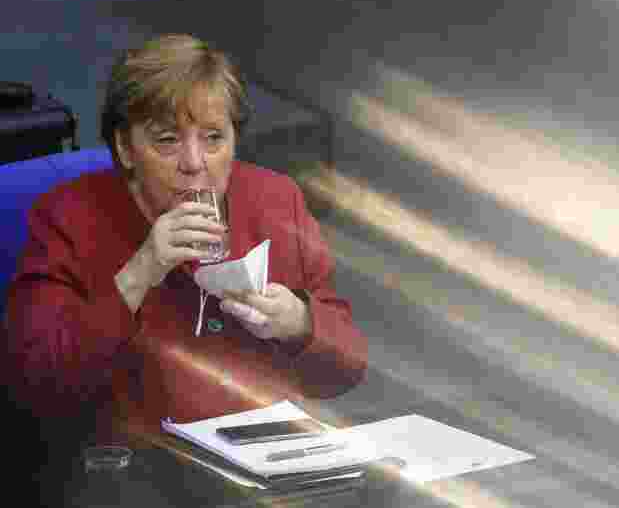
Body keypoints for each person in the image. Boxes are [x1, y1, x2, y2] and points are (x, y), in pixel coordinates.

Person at [3, 34, 368, 455]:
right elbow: (35, 387)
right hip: (133, 471)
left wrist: (301, 324)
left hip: (268, 464)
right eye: (167, 140)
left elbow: (346, 370)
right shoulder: (68, 215)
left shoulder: (276, 200)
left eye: (214, 138)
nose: (194, 163)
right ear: (125, 147)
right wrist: (141, 272)